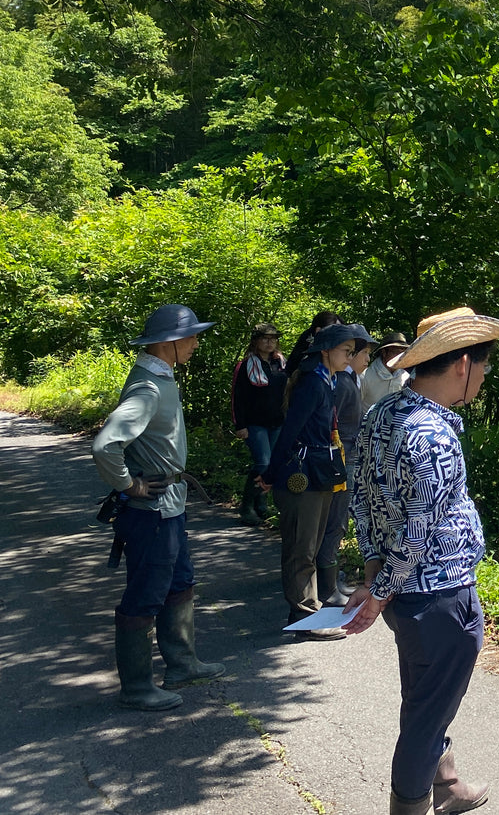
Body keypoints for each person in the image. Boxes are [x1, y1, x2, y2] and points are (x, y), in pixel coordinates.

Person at [346, 306, 499, 815]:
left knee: (424, 696)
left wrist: (375, 571)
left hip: (406, 597)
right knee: (425, 713)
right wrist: (376, 595)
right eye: (483, 367)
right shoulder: (433, 436)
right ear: (462, 364)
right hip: (439, 598)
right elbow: (418, 534)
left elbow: (363, 496)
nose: (484, 376)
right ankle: (412, 804)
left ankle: (448, 783)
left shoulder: (382, 415)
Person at [91, 303, 226, 710]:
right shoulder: (148, 387)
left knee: (180, 583)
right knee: (145, 595)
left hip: (169, 507)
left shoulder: (160, 378)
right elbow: (105, 444)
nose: (197, 342)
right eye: (193, 336)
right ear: (170, 343)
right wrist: (128, 484)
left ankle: (182, 664)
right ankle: (136, 688)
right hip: (151, 513)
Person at [266, 322, 358, 639]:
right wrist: (270, 473)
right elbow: (290, 431)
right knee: (301, 549)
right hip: (303, 475)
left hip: (320, 472)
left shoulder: (327, 381)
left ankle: (309, 610)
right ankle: (304, 616)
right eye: (346, 351)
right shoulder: (312, 384)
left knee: (311, 545)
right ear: (326, 351)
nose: (350, 356)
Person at [318, 324, 375, 608]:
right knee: (335, 518)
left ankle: (329, 578)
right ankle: (325, 587)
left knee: (339, 518)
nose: (366, 359)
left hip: (350, 454)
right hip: (342, 456)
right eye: (362, 353)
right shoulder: (340, 382)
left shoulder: (351, 379)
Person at [231, 322, 287, 526]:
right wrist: (240, 425)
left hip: (277, 422)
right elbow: (238, 397)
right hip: (254, 423)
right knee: (262, 462)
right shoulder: (246, 365)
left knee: (272, 464)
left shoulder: (281, 363)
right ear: (256, 341)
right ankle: (246, 507)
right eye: (265, 338)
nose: (270, 342)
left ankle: (261, 504)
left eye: (273, 339)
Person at [363, 331, 412, 415]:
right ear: (384, 352)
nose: (400, 357)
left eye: (403, 353)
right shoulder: (365, 376)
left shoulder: (406, 377)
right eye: (396, 352)